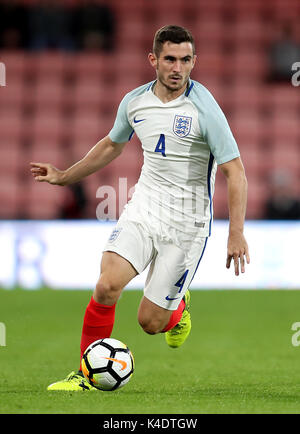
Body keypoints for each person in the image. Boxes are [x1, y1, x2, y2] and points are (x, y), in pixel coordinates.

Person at [30, 25, 250, 391]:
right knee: (106, 287)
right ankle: (85, 375)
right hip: (144, 208)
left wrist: (236, 233)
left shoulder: (205, 108)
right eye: (170, 59)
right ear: (154, 60)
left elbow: (236, 172)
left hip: (188, 224)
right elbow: (111, 146)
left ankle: (177, 311)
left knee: (149, 322)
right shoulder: (135, 102)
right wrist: (65, 176)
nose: (178, 68)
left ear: (194, 61)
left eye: (185, 60)